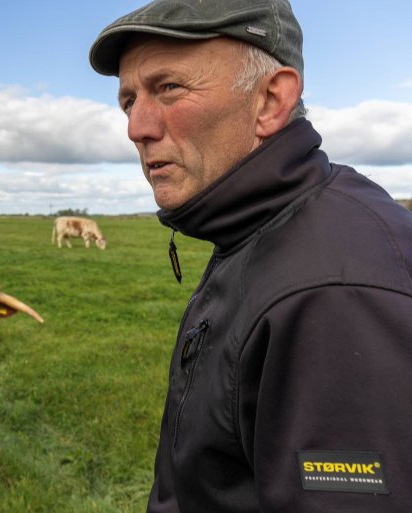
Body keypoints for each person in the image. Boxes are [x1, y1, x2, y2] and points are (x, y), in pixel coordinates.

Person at [89, 1, 412, 512]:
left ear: (270, 99)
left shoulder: (332, 292)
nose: (137, 128)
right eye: (128, 100)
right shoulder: (261, 226)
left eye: (168, 88)